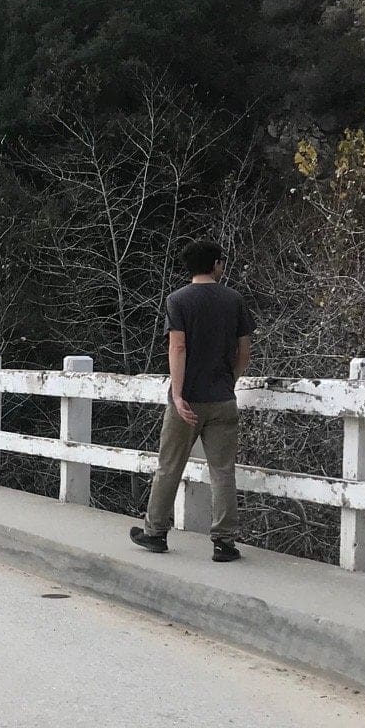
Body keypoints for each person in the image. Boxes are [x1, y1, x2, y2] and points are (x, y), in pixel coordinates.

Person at [130, 240, 253, 562]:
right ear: (215, 264)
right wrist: (230, 380)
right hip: (223, 398)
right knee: (223, 471)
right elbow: (244, 353)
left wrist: (179, 393)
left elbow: (178, 348)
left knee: (169, 466)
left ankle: (155, 532)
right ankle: (224, 543)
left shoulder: (178, 300)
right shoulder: (234, 300)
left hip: (188, 399)